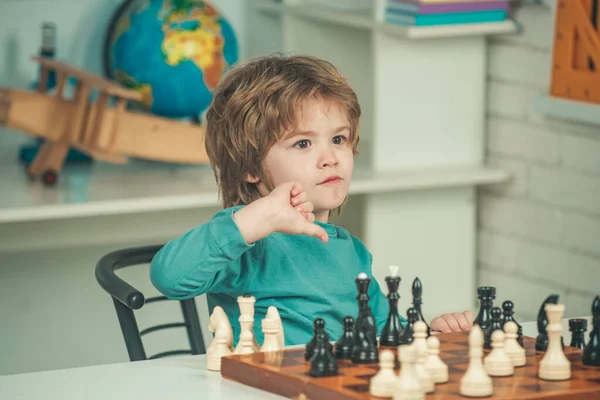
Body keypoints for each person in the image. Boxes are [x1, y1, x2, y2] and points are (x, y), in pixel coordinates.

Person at [149, 54, 472, 346]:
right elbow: (170, 278)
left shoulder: (351, 250)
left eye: (338, 139)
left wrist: (432, 332)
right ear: (250, 167)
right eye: (303, 143)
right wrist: (254, 220)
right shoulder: (250, 239)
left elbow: (386, 332)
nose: (330, 157)